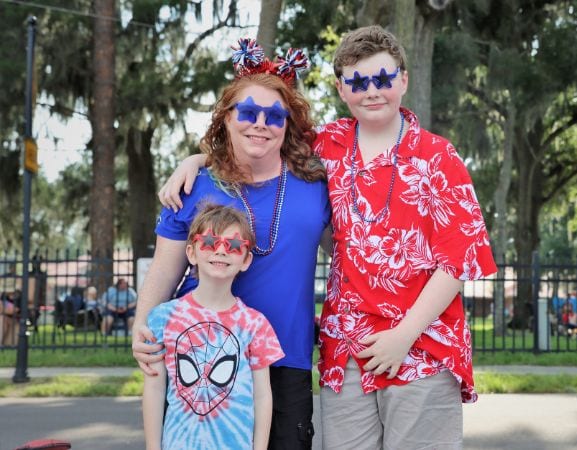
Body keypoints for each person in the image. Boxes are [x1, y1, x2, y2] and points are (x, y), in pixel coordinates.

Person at [161, 25, 497, 449]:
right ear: (341, 89)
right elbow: (258, 138)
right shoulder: (327, 147)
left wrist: (404, 335)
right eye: (357, 81)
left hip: (422, 348)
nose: (372, 91)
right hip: (347, 351)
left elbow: (458, 260)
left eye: (383, 78)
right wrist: (196, 159)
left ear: (404, 80)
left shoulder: (438, 157)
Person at [133, 39, 330, 449]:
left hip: (286, 360)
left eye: (275, 116)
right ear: (226, 119)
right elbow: (165, 270)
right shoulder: (192, 186)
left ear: (288, 124)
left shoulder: (317, 186)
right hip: (202, 356)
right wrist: (141, 325)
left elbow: (352, 254)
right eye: (248, 112)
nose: (261, 123)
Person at [142, 204, 284, 450]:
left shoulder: (255, 324)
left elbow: (262, 397)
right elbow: (154, 389)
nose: (221, 250)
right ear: (192, 252)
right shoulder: (163, 318)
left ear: (246, 259)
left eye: (234, 245)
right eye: (209, 241)